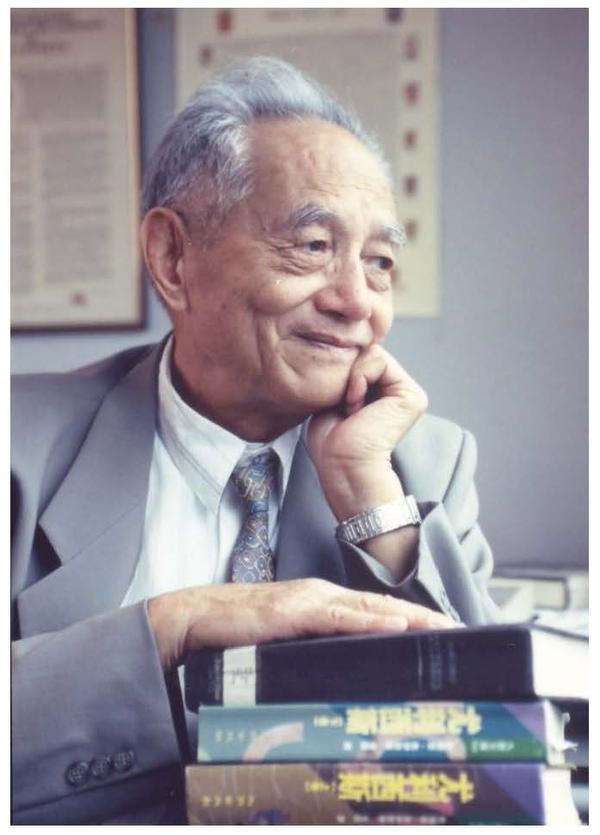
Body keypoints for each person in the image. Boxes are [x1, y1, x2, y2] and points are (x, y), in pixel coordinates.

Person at [11, 57, 497, 824]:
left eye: (379, 263)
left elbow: (496, 749)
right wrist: (170, 629)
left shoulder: (421, 462)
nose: (356, 302)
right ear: (173, 258)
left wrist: (370, 497)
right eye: (312, 245)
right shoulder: (19, 446)